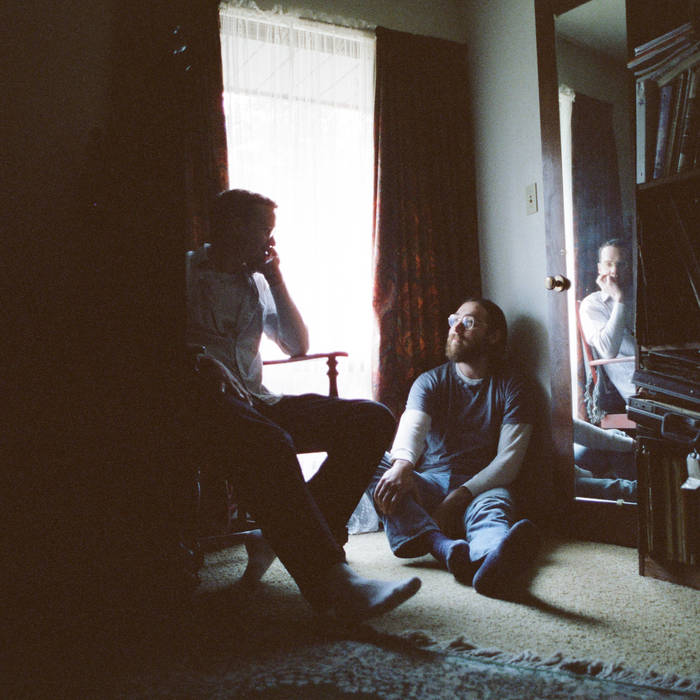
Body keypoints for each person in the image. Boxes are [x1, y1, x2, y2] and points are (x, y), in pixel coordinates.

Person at [186, 188, 420, 620]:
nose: (270, 241)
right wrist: (198, 359)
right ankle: (329, 582)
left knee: (372, 419)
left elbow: (296, 345)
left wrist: (276, 279)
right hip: (205, 407)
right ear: (235, 227)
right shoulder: (183, 273)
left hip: (258, 400)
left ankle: (283, 539)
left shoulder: (257, 282)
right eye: (264, 230)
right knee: (270, 439)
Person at [368, 298, 540, 600]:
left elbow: (508, 461)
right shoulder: (430, 381)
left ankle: (491, 563)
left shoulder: (515, 385)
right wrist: (402, 466)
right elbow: (412, 429)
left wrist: (460, 496)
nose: (456, 328)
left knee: (492, 513)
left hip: (482, 487)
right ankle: (442, 547)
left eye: (469, 322)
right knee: (371, 462)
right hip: (430, 483)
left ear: (493, 336)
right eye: (454, 319)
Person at [579, 239, 636, 402]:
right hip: (638, 388)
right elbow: (608, 350)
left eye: (621, 264)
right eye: (609, 264)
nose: (614, 271)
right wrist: (619, 300)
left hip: (664, 375)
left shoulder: (640, 298)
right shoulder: (592, 304)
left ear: (629, 268)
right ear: (599, 268)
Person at [573, 418, 636, 502]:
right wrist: (589, 476)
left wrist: (632, 444)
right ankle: (646, 492)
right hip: (560, 482)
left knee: (617, 435)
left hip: (569, 462)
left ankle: (643, 478)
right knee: (618, 488)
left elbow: (577, 429)